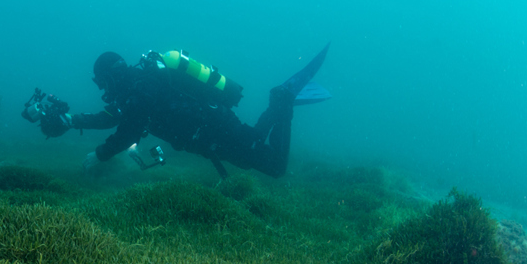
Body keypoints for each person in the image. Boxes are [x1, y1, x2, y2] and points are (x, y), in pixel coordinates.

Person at [66, 45, 331, 178]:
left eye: (102, 82)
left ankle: (282, 101)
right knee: (252, 149)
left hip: (216, 130)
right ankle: (278, 104)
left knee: (275, 167)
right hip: (212, 133)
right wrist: (70, 120)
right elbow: (110, 118)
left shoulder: (141, 89)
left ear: (110, 77)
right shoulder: (137, 88)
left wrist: (100, 155)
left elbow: (129, 131)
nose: (103, 89)